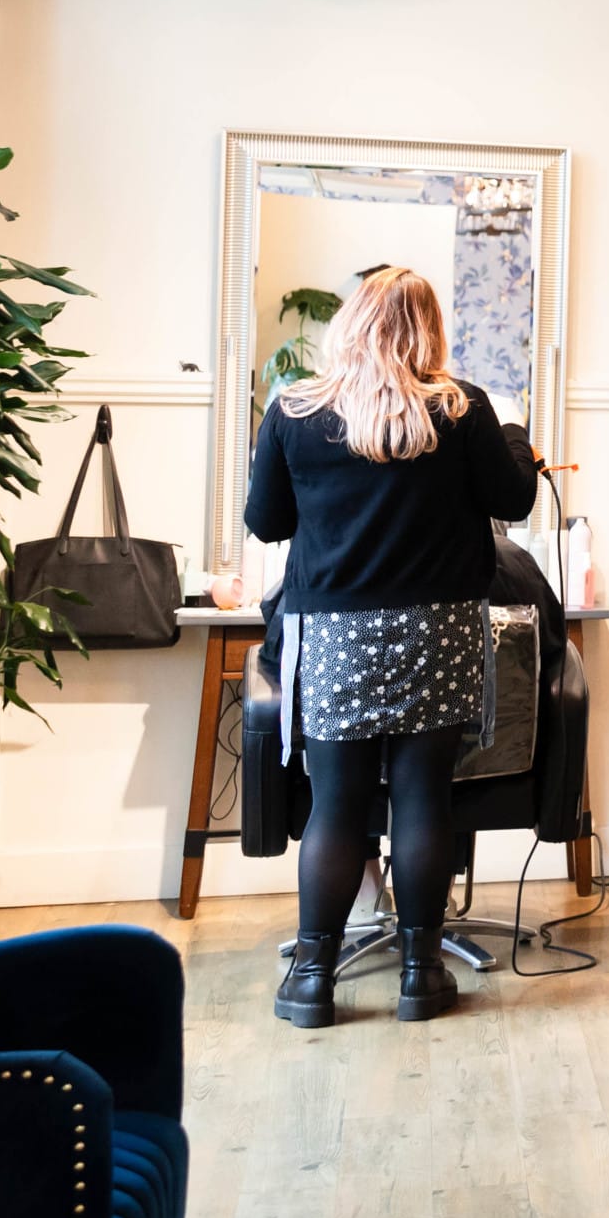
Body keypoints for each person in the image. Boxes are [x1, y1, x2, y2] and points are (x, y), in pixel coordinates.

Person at [246, 268, 537, 1027]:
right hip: (436, 631)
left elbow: (268, 524)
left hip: (335, 634)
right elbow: (514, 501)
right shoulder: (462, 408)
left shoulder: (294, 410)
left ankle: (312, 982)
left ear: (351, 324)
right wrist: (514, 435)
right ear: (428, 329)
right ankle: (419, 975)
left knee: (336, 807)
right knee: (421, 800)